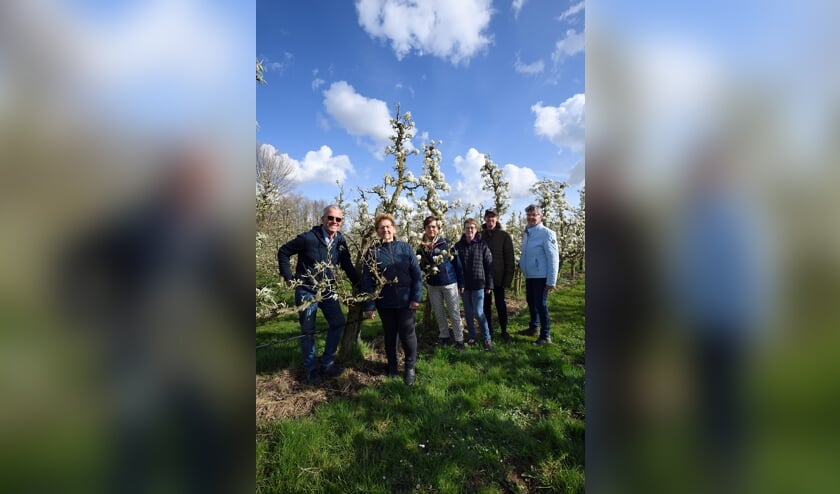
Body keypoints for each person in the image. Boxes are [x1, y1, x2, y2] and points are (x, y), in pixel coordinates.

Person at [277, 205, 360, 386]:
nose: (334, 222)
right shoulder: (308, 238)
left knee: (338, 323)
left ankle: (327, 363)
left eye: (338, 220)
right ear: (323, 219)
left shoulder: (340, 241)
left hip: (328, 290)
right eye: (331, 218)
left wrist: (360, 284)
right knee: (308, 331)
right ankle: (310, 369)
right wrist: (289, 277)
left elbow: (347, 265)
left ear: (341, 222)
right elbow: (283, 252)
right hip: (307, 290)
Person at [361, 213, 423, 386]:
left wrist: (416, 297)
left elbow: (417, 275)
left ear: (394, 229)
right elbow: (367, 280)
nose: (386, 229)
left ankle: (410, 367)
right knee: (390, 335)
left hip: (406, 300)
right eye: (382, 227)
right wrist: (369, 304)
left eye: (388, 226)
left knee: (407, 332)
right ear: (378, 231)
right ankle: (393, 367)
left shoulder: (405, 248)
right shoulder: (373, 252)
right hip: (385, 301)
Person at [417, 216, 465, 350]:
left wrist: (461, 283)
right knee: (439, 313)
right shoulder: (421, 247)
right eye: (428, 227)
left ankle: (459, 339)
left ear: (438, 229)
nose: (431, 229)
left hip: (449, 283)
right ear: (425, 229)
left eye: (433, 226)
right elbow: (420, 265)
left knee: (454, 312)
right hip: (433, 285)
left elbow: (457, 264)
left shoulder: (447, 243)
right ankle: (444, 337)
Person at [519, 204, 559, 345]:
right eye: (529, 215)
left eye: (534, 215)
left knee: (541, 304)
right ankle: (534, 327)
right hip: (530, 275)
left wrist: (551, 281)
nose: (531, 217)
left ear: (540, 216)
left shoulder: (547, 233)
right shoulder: (528, 232)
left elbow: (553, 257)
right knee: (531, 302)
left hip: (541, 276)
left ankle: (545, 335)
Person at [454, 218, 494, 350]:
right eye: (467, 228)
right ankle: (472, 336)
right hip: (464, 285)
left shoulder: (482, 245)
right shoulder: (458, 246)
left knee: (478, 311)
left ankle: (487, 338)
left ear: (476, 230)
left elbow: (488, 265)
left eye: (472, 228)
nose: (469, 230)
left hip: (478, 283)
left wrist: (489, 284)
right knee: (468, 312)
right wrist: (459, 283)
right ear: (464, 229)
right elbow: (456, 267)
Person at [481, 209, 515, 343]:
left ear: (497, 219)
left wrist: (507, 280)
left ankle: (504, 330)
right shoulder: (480, 235)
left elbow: (510, 259)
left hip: (499, 278)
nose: (490, 221)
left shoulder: (504, 236)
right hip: (484, 278)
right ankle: (488, 330)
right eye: (488, 218)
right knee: (485, 306)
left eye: (493, 218)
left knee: (501, 305)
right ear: (484, 219)